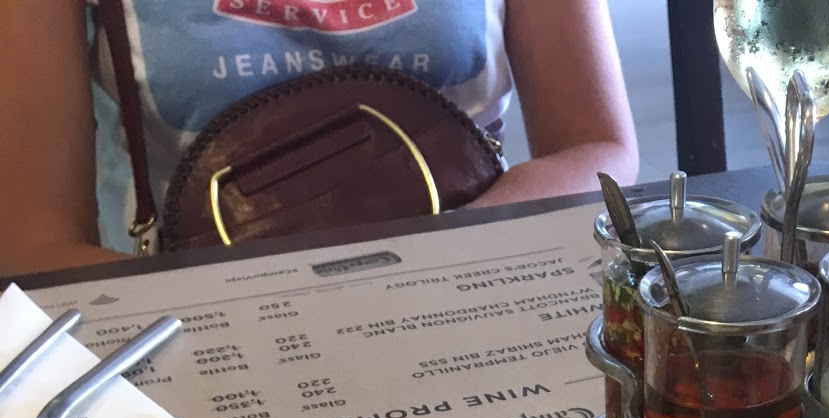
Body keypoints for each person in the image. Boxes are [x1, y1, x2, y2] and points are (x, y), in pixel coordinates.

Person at [0, 0, 638, 277]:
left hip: (472, 276)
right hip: (198, 308)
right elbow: (32, 244)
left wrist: (432, 267)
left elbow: (596, 149)